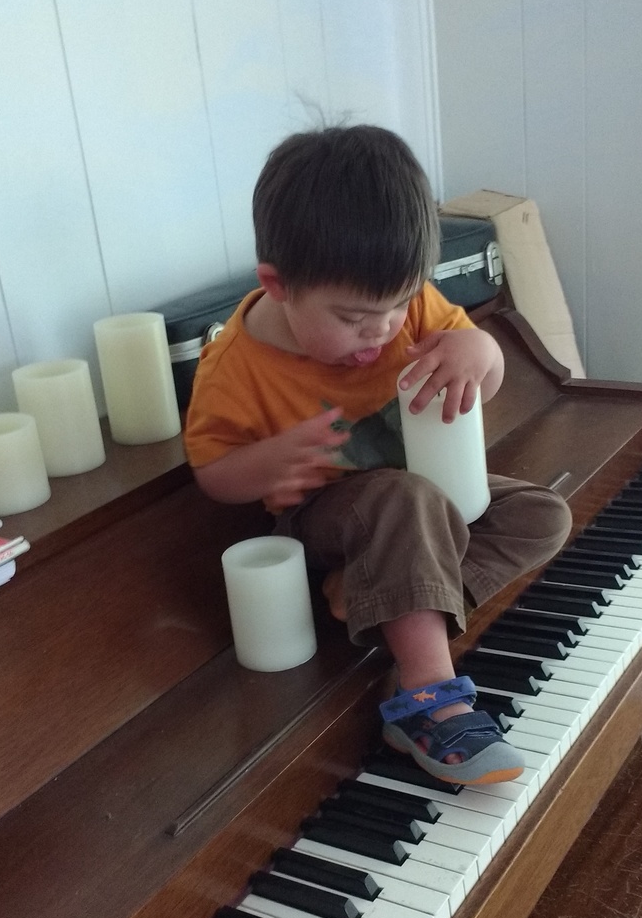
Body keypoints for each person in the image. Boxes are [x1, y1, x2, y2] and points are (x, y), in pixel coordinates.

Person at [184, 125, 572, 785]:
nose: (385, 330)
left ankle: (382, 597)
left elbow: (486, 366)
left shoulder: (406, 301)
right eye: (356, 318)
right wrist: (269, 460)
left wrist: (478, 352)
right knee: (404, 497)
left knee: (543, 515)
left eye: (398, 307)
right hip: (327, 517)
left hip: (425, 499)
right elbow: (214, 473)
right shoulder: (235, 366)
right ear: (277, 285)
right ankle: (427, 700)